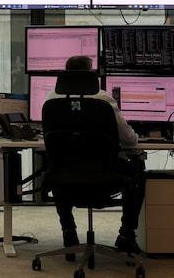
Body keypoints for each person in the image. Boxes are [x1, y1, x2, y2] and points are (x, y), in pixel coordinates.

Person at [47, 55, 146, 255]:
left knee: (56, 165)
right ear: (91, 74)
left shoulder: (51, 100)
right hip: (105, 173)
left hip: (66, 175)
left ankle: (68, 231)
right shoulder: (104, 100)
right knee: (138, 169)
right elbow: (129, 140)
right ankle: (126, 235)